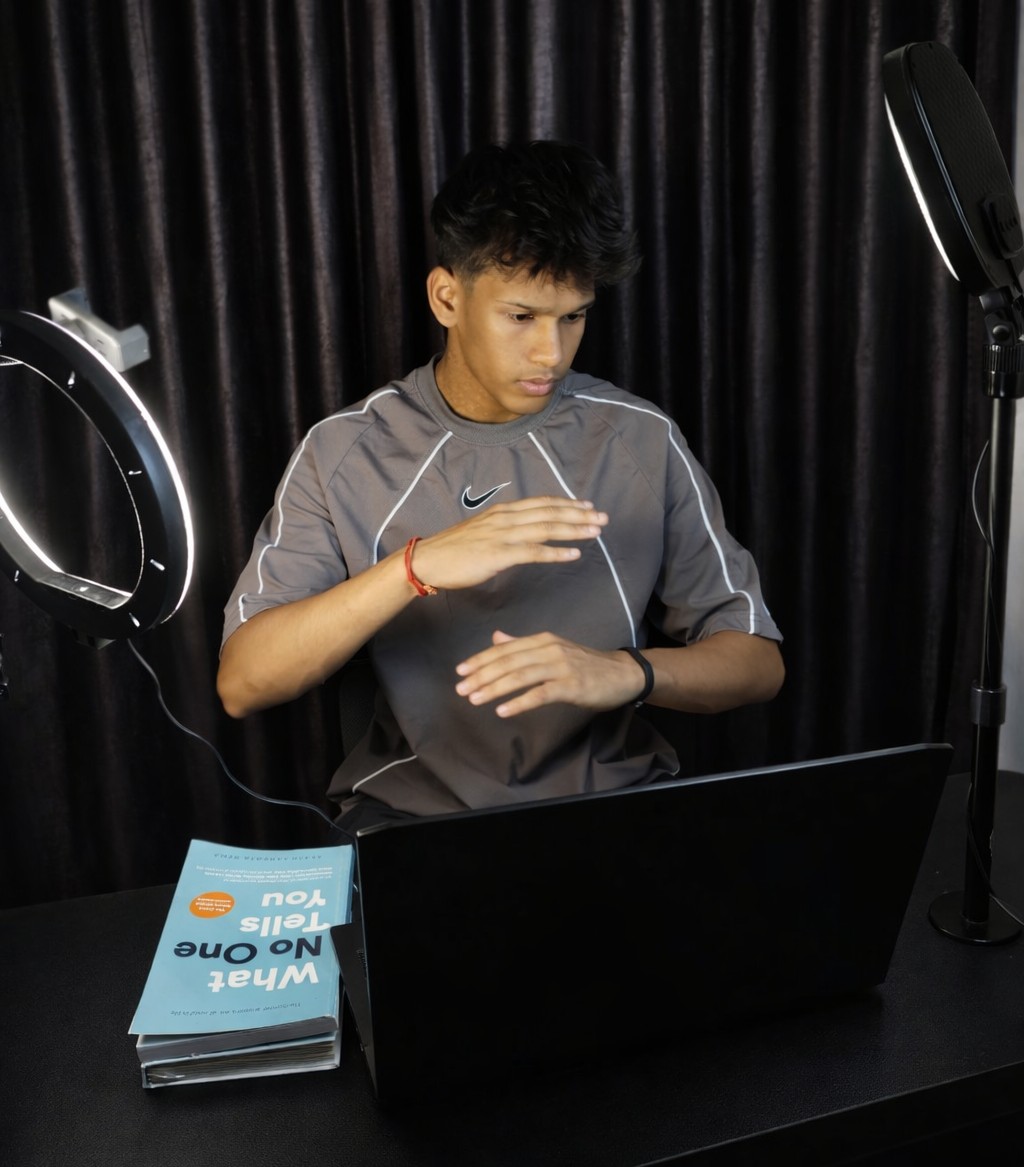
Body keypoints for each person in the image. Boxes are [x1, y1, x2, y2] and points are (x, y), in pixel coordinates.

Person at [217, 140, 784, 835]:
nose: (551, 352)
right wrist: (415, 566)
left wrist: (629, 671)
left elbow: (757, 662)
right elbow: (244, 682)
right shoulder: (344, 450)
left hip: (616, 810)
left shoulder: (639, 438)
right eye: (521, 316)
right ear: (447, 297)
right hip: (409, 824)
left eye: (572, 316)